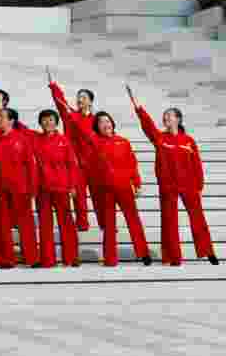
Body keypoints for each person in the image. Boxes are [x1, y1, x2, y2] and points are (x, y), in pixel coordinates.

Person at [127, 86, 218, 266]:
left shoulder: (188, 140)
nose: (165, 118)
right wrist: (137, 107)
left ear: (178, 119)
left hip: (189, 185)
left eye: (169, 115)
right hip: (168, 186)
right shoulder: (160, 138)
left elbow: (197, 165)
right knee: (169, 221)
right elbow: (148, 125)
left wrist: (199, 186)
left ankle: (208, 252)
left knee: (198, 218)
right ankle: (173, 257)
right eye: (164, 116)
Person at [66, 109, 152, 267]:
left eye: (107, 121)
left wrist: (137, 183)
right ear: (96, 127)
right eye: (100, 122)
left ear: (112, 123)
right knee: (109, 225)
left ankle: (143, 253)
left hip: (124, 187)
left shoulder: (123, 141)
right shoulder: (94, 143)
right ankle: (110, 258)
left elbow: (132, 164)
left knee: (134, 221)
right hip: (105, 190)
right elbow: (82, 129)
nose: (105, 124)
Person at [48, 71, 96, 232]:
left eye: (83, 97)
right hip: (75, 162)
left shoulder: (97, 120)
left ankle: (105, 221)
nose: (79, 99)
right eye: (78, 97)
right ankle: (82, 222)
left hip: (93, 162)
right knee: (79, 194)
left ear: (90, 102)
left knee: (98, 194)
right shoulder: (70, 116)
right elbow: (60, 103)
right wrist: (53, 86)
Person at [34, 109, 82, 268]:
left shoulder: (64, 140)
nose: (48, 123)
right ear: (40, 123)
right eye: (45, 120)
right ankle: (48, 259)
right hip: (43, 188)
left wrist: (73, 185)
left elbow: (72, 165)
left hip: (62, 187)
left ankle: (72, 257)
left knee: (67, 223)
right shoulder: (35, 139)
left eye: (51, 120)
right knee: (45, 225)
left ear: (56, 122)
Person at [0, 108, 40, 268]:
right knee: (2, 224)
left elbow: (31, 164)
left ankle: (32, 257)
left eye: (1, 117)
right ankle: (6, 258)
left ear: (11, 120)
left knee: (25, 224)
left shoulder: (22, 139)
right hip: (1, 188)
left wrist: (33, 188)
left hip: (20, 188)